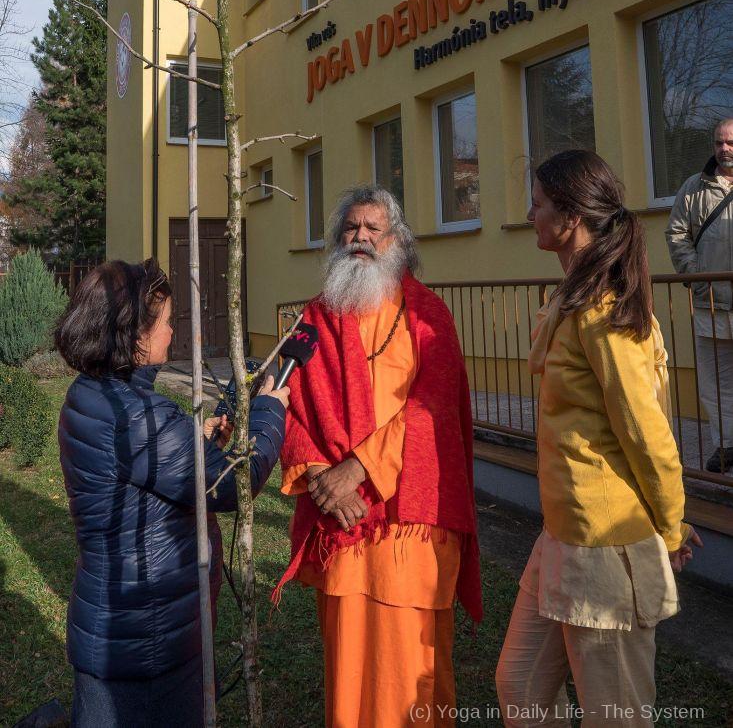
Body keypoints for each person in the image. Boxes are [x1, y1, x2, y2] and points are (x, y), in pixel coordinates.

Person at [495, 151, 702, 728]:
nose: (529, 214)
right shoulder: (572, 299)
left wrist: (671, 528)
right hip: (562, 535)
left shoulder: (606, 313)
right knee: (520, 687)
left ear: (570, 217)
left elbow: (648, 433)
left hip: (606, 546)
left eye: (537, 203)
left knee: (617, 716)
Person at [273, 185, 482, 728]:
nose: (361, 238)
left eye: (374, 229)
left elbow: (434, 406)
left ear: (398, 242)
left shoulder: (429, 316)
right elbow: (286, 403)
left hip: (411, 519)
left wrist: (359, 468)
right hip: (343, 519)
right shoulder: (314, 319)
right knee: (348, 666)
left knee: (411, 671)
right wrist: (319, 475)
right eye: (351, 228)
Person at [55, 259, 289, 728]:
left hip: (114, 626)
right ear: (134, 337)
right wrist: (269, 409)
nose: (172, 330)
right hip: (147, 639)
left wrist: (191, 442)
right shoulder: (138, 416)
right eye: (164, 320)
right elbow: (234, 484)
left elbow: (139, 468)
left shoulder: (91, 394)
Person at [666, 117, 733, 473]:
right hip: (711, 304)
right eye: (719, 142)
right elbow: (677, 234)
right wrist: (696, 277)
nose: (724, 149)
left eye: (731, 142)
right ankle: (727, 445)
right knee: (716, 383)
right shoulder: (694, 187)